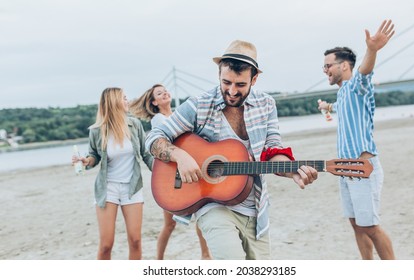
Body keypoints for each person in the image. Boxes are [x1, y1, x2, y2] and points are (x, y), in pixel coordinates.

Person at [145, 40, 318, 260]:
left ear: (254, 79)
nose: (232, 91)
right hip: (212, 206)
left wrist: (292, 170)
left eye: (240, 84)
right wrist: (179, 156)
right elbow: (153, 138)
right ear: (218, 74)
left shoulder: (267, 105)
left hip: (255, 206)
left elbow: (272, 150)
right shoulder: (199, 105)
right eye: (226, 82)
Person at [318, 20, 396, 260]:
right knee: (356, 224)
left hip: (363, 168)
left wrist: (371, 49)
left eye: (328, 66)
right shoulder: (343, 94)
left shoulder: (357, 87)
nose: (325, 70)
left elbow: (365, 72)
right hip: (345, 169)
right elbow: (338, 106)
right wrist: (325, 106)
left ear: (344, 65)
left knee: (370, 226)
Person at [130, 84, 212, 260]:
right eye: (159, 93)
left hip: (188, 169)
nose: (165, 93)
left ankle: (206, 255)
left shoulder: (177, 115)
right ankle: (158, 260)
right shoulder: (158, 120)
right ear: (154, 102)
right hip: (171, 175)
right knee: (169, 225)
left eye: (165, 90)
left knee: (201, 212)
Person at [72, 87, 153, 260]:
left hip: (132, 187)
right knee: (106, 245)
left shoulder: (135, 125)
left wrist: (163, 173)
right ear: (114, 102)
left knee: (136, 240)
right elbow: (93, 155)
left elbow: (146, 154)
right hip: (108, 188)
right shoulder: (97, 130)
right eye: (124, 98)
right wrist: (86, 161)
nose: (128, 101)